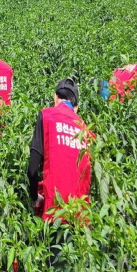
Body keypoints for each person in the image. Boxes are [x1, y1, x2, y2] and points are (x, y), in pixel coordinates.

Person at [27, 78, 93, 223]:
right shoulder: (86, 130)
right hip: (80, 217)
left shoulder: (46, 116)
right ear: (76, 107)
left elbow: (32, 170)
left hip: (54, 212)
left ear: (55, 97)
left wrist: (35, 197)